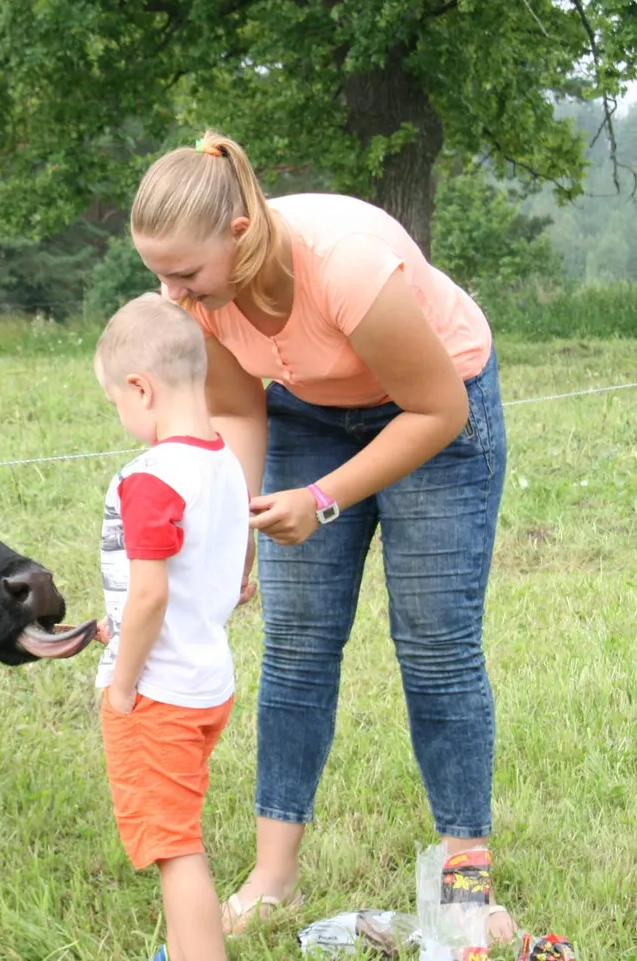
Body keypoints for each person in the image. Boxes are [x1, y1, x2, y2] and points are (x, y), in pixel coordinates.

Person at [125, 129, 513, 941]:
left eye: (184, 271)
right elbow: (237, 408)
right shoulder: (196, 300)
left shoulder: (345, 265)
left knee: (437, 647)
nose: (169, 291)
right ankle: (274, 877)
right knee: (297, 646)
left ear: (239, 234)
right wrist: (236, 536)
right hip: (310, 413)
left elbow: (436, 411)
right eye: (156, 271)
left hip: (438, 411)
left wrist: (325, 500)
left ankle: (467, 888)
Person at [93, 293, 250, 961]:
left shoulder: (151, 478)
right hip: (207, 679)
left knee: (174, 847)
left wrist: (124, 681)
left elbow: (153, 594)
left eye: (116, 402)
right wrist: (118, 621)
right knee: (176, 830)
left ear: (141, 388)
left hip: (159, 692)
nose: (121, 416)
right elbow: (224, 578)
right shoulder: (225, 462)